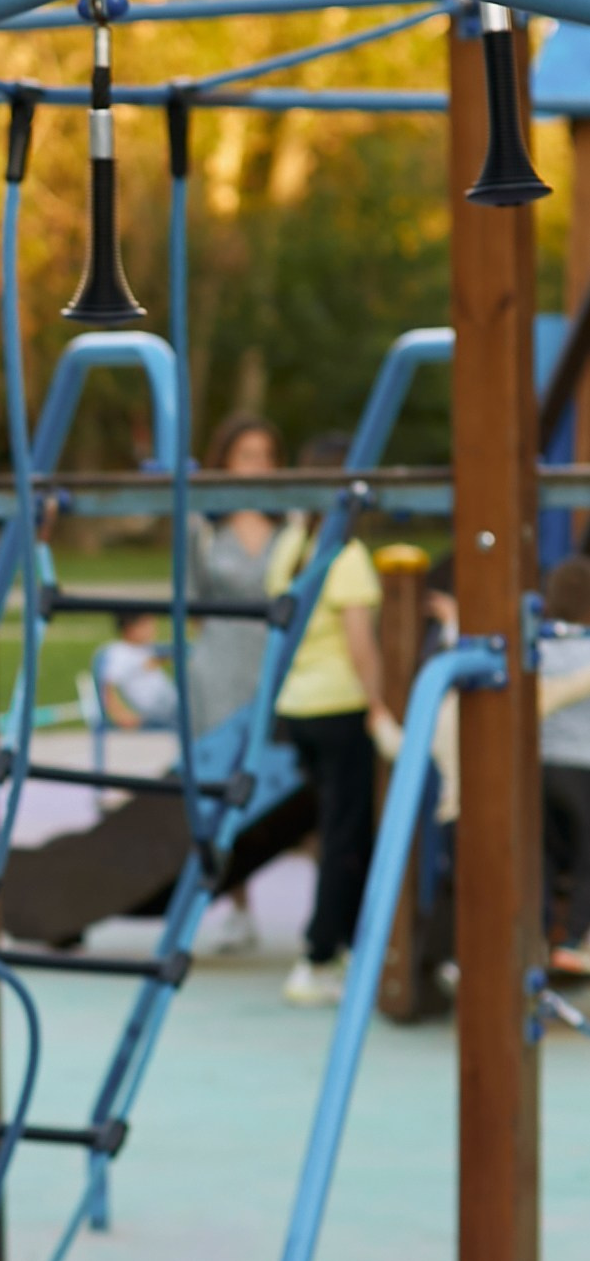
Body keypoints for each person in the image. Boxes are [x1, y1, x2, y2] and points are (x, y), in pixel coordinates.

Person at [268, 432, 404, 1007]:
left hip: (297, 705)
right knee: (347, 834)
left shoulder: (292, 543)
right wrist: (378, 705)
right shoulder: (344, 558)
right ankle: (317, 955)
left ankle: (343, 941)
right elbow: (360, 643)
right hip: (339, 704)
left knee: (337, 831)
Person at [187, 408, 283, 953]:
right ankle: (239, 905)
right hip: (219, 665)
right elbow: (193, 598)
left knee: (281, 776)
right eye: (248, 455)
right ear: (226, 461)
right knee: (224, 783)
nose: (258, 466)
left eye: (266, 457)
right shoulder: (206, 529)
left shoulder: (289, 526)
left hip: (268, 664)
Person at [538, 552, 590, 976]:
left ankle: (536, 936)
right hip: (583, 769)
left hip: (541, 768)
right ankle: (575, 939)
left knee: (545, 858)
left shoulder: (541, 648)